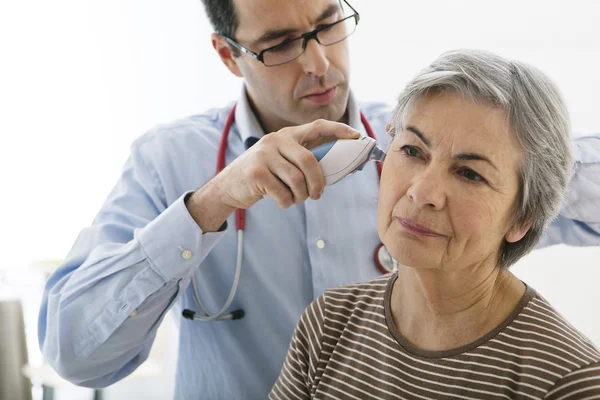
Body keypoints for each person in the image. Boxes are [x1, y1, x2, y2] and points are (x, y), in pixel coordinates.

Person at [37, 0, 600, 399]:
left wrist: (490, 160)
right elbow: (77, 354)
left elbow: (536, 176)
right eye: (278, 45)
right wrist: (209, 203)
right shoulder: (169, 161)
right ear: (228, 55)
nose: (318, 64)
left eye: (328, 24)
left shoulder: (410, 142)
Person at [270, 49, 600, 400]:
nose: (421, 192)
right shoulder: (329, 323)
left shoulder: (569, 381)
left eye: (469, 174)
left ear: (523, 217)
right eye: (412, 151)